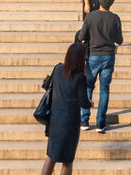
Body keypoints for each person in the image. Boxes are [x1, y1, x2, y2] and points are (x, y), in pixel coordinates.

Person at [40, 42, 91, 175]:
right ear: (80, 58)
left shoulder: (58, 69)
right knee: (67, 161)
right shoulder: (80, 78)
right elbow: (83, 102)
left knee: (51, 157)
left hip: (55, 119)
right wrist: (90, 103)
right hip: (69, 123)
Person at [77, 0, 122, 133]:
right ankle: (100, 123)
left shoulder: (90, 17)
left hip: (92, 57)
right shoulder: (115, 18)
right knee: (104, 90)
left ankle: (84, 119)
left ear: (99, 0)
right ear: (112, 3)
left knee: (88, 87)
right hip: (108, 56)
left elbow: (81, 36)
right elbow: (119, 40)